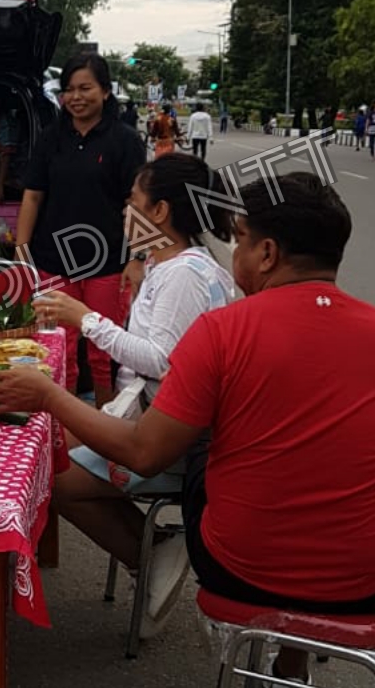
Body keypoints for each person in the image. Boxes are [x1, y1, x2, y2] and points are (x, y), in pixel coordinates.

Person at [0, 172, 375, 688]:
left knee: (202, 452)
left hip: (244, 573)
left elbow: (144, 453)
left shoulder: (225, 331)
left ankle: (169, 560)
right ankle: (293, 666)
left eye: (238, 239)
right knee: (316, 460)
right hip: (369, 583)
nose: (231, 253)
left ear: (267, 252)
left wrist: (48, 395)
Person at [32, 152, 234, 635]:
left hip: (167, 434)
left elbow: (162, 359)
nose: (126, 211)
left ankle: (149, 551)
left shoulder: (186, 273)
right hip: (141, 414)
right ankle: (149, 549)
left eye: (133, 201)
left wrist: (85, 319)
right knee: (45, 448)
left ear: (159, 212)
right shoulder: (165, 265)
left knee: (49, 476)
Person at [14, 51, 145, 406]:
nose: (75, 97)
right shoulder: (50, 138)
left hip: (109, 263)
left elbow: (138, 204)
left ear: (105, 91)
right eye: (69, 89)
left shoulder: (126, 141)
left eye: (85, 87)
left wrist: (138, 257)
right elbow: (33, 198)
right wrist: (21, 255)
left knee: (104, 353)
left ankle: (109, 432)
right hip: (53, 261)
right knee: (60, 347)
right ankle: (64, 437)